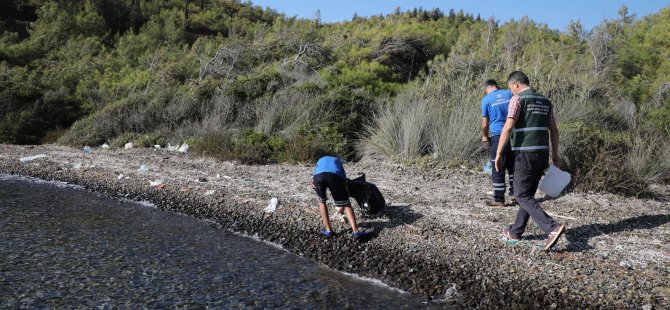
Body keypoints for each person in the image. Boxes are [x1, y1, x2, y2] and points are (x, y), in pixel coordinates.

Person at [495, 71, 566, 251]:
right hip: (542, 153)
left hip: (525, 153)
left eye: (511, 88)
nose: (511, 92)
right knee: (527, 194)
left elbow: (508, 126)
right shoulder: (545, 101)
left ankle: (552, 228)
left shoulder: (518, 99)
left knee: (521, 195)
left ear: (516, 85)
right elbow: (554, 131)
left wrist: (498, 152)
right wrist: (555, 154)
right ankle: (516, 231)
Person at [312, 156, 370, 239]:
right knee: (346, 204)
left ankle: (328, 231)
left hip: (318, 176)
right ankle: (356, 231)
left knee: (322, 201)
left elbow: (315, 173)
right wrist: (345, 190)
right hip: (335, 176)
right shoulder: (337, 161)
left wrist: (314, 182)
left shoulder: (320, 159)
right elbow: (343, 177)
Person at [481, 79, 515, 207]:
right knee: (513, 165)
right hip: (513, 134)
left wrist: (485, 136)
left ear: (486, 89)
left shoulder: (486, 99)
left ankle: (499, 199)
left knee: (497, 165)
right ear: (497, 86)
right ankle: (516, 194)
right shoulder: (509, 93)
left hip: (498, 135)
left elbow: (485, 123)